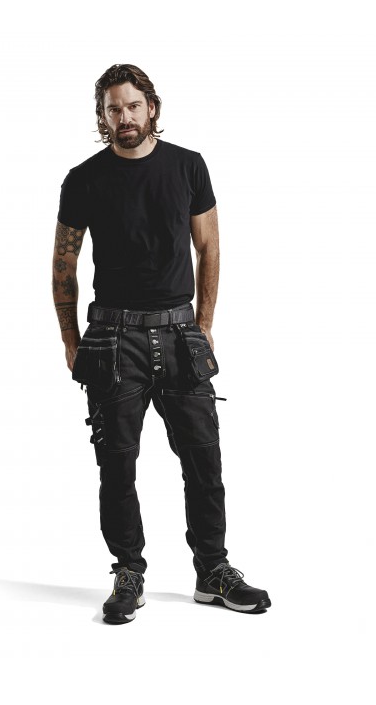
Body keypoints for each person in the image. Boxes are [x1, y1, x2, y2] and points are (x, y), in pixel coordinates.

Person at [52, 63, 271, 624]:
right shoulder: (83, 178)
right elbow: (64, 264)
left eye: (132, 105)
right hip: (112, 337)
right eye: (112, 109)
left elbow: (209, 246)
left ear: (151, 107)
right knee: (116, 465)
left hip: (179, 333)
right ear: (102, 117)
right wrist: (71, 340)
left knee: (204, 459)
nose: (123, 117)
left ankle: (213, 571)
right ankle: (129, 571)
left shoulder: (188, 166)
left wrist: (205, 323)